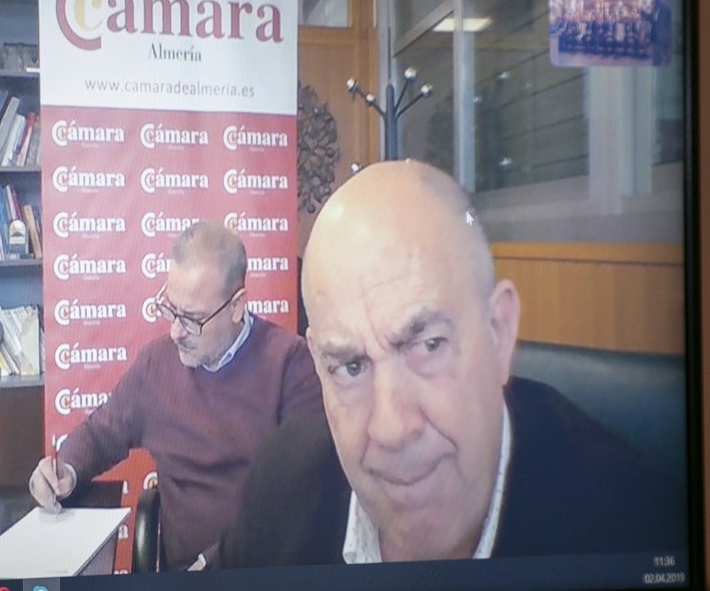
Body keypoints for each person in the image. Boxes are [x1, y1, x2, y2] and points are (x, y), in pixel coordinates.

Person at [217, 160, 685, 568]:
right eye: (352, 367)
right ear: (319, 367)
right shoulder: (281, 483)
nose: (391, 428)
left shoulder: (641, 523)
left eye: (428, 346)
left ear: (498, 333)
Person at [29, 220, 323, 570]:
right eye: (170, 309)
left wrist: (215, 564)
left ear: (237, 306)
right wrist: (65, 470)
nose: (176, 331)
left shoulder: (291, 365)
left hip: (266, 576)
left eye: (193, 319)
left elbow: (299, 495)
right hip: (184, 581)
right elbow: (100, 433)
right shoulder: (156, 364)